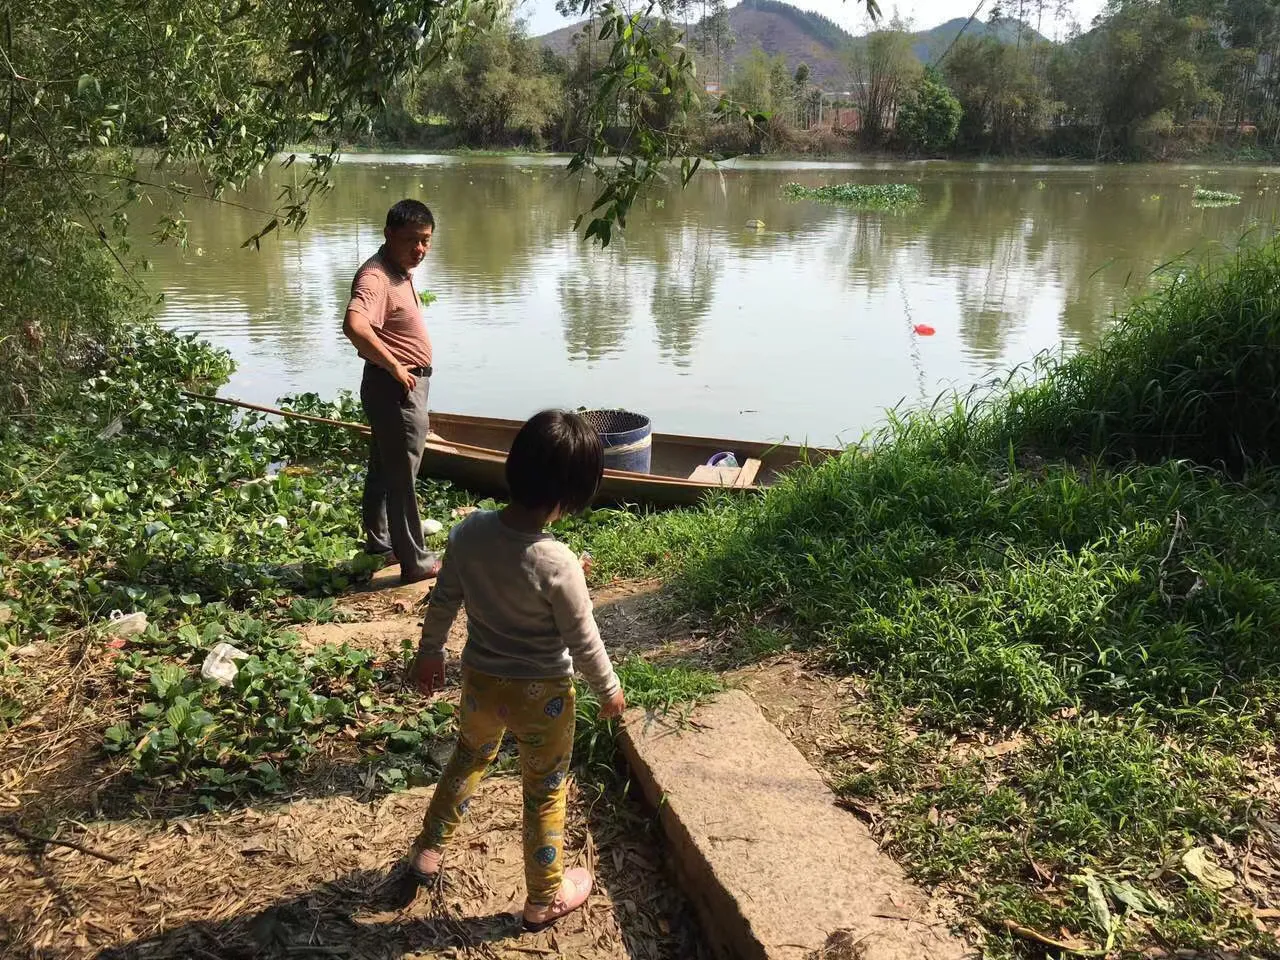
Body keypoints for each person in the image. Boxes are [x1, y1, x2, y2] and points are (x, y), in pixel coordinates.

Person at [403, 410, 626, 931]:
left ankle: (427, 852)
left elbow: (445, 598)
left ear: (514, 466)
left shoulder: (469, 532)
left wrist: (430, 651)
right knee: (545, 791)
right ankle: (543, 898)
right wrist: (609, 689)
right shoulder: (559, 563)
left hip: (481, 681)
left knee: (467, 758)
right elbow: (583, 639)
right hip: (543, 696)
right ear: (574, 492)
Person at [342, 199, 440, 584]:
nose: (420, 249)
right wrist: (397, 365)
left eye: (427, 241)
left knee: (384, 469)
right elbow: (355, 325)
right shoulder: (376, 277)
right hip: (396, 388)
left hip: (396, 386)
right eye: (413, 240)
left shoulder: (398, 271)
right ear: (389, 235)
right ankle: (415, 562)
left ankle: (380, 546)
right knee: (403, 476)